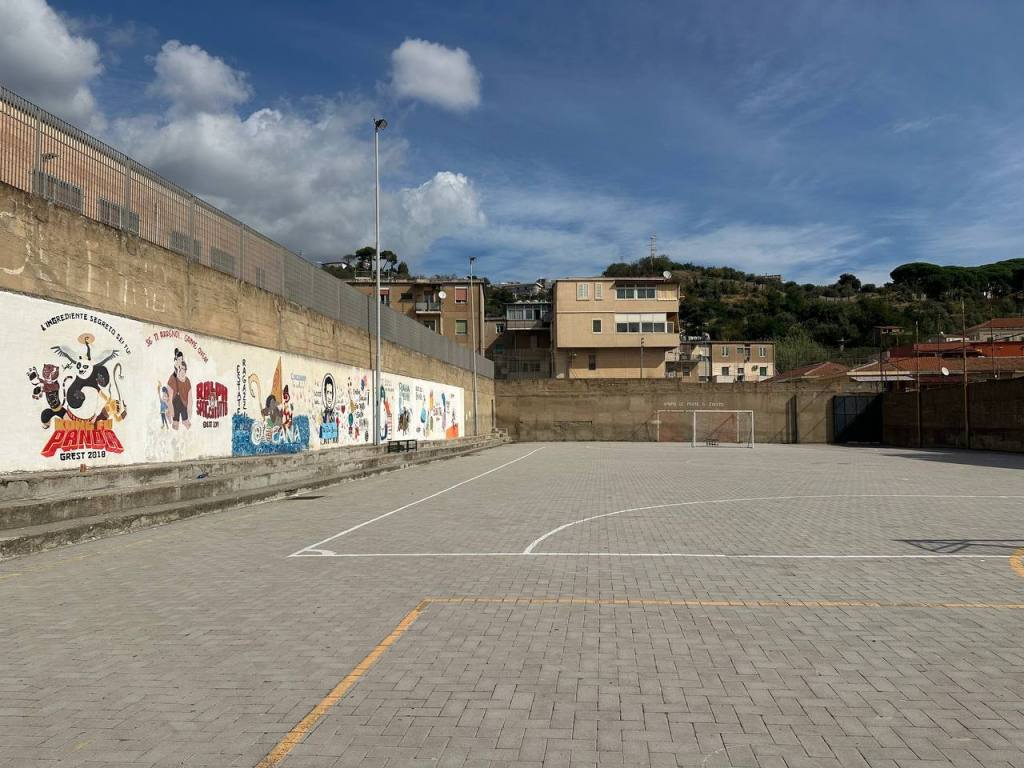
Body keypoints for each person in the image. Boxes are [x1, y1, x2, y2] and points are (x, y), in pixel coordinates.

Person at [167, 348, 192, 430]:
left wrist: (189, 407)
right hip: (176, 402)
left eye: (182, 359)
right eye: (179, 359)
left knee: (186, 422)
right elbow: (169, 396)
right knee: (175, 424)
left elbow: (190, 397)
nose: (180, 360)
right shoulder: (173, 378)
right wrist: (170, 409)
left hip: (183, 403)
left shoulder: (187, 381)